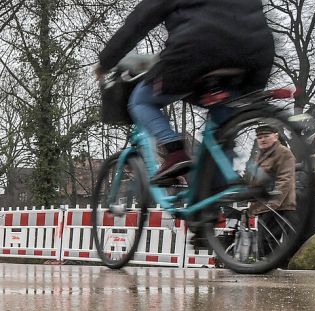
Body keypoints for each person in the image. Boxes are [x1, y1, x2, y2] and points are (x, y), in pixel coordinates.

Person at [94, 0, 275, 182]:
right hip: (254, 57)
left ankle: (175, 151)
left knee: (140, 100)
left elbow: (139, 20)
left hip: (197, 50)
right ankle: (219, 191)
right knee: (221, 130)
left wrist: (106, 61)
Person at [248, 125, 297, 256]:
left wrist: (273, 204)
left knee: (269, 241)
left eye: (266, 136)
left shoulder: (283, 152)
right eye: (259, 137)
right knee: (264, 242)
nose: (262, 139)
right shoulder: (261, 155)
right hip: (265, 206)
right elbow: (256, 182)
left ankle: (271, 271)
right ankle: (267, 268)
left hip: (278, 206)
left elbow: (285, 179)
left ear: (275, 136)